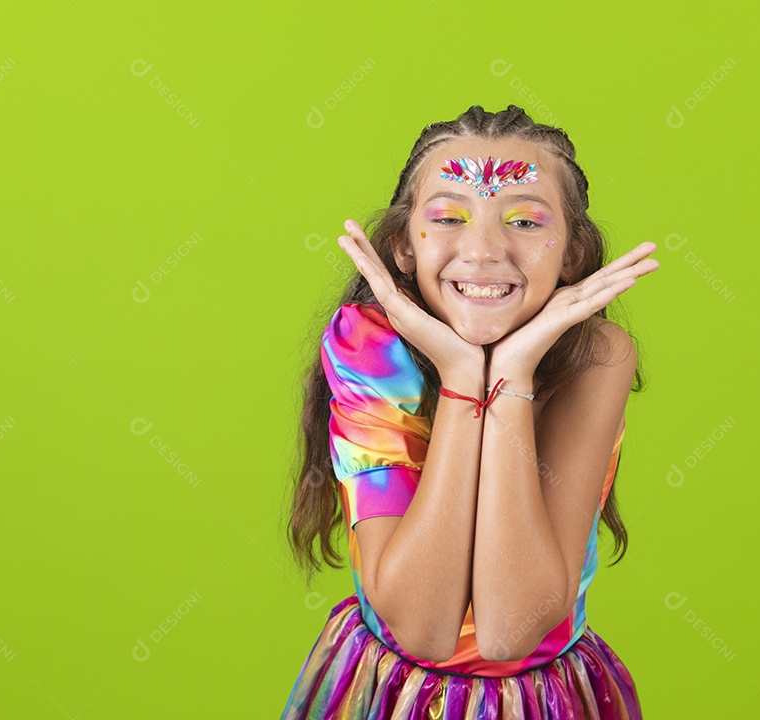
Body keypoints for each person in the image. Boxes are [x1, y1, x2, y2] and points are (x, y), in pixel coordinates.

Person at [281, 104, 659, 719]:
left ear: (571, 254)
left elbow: (511, 631)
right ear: (404, 246)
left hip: (547, 699)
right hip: (390, 696)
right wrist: (462, 379)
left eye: (525, 222)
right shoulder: (369, 346)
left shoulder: (597, 356)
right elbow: (422, 630)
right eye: (449, 218)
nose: (483, 251)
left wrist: (509, 379)